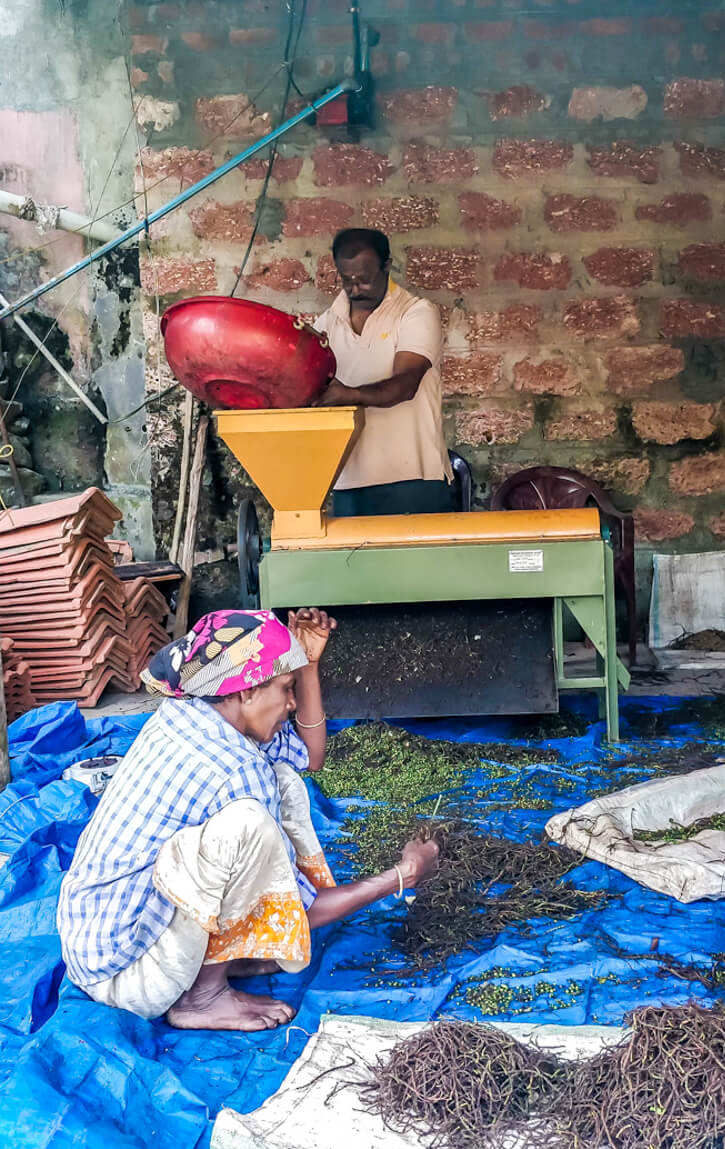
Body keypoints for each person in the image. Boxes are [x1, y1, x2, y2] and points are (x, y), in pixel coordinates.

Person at [57, 608, 438, 1032]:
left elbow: (310, 758)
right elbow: (302, 911)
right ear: (247, 692)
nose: (292, 704)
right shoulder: (237, 769)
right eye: (286, 689)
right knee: (250, 824)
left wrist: (307, 665)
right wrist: (403, 875)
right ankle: (202, 997)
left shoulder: (191, 711)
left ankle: (224, 956)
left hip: (92, 945)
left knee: (285, 781)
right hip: (128, 976)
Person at [311, 227, 454, 517]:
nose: (354, 289)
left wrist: (348, 395)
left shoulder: (416, 313)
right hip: (349, 480)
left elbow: (406, 384)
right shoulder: (326, 324)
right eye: (346, 279)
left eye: (364, 280)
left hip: (414, 478)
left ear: (387, 266)